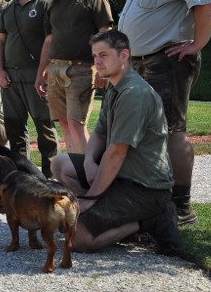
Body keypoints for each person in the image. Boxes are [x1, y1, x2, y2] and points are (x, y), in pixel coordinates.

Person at [119, 0, 211, 225]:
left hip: (168, 60)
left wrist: (196, 44)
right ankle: (155, 200)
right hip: (141, 62)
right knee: (148, 133)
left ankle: (180, 207)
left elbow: (206, 2)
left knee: (172, 131)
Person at [51, 30, 180, 253]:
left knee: (76, 238)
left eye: (104, 55)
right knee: (60, 163)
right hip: (120, 177)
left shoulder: (134, 93)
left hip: (144, 188)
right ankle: (101, 214)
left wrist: (91, 198)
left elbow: (117, 152)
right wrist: (89, 162)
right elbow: (100, 133)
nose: (97, 62)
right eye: (95, 56)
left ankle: (150, 221)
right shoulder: (114, 87)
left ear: (124, 55)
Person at [36, 0, 114, 155]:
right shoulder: (53, 4)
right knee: (64, 123)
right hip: (55, 70)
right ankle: (75, 167)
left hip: (82, 69)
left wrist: (103, 68)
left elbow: (106, 33)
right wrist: (40, 73)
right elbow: (49, 40)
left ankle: (87, 171)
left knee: (76, 123)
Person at [0, 0, 59, 177]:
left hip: (37, 75)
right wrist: (0, 71)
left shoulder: (46, 3)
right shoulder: (7, 9)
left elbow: (52, 40)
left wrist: (43, 73)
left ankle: (50, 177)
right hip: (11, 77)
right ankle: (22, 176)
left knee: (45, 128)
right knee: (14, 129)